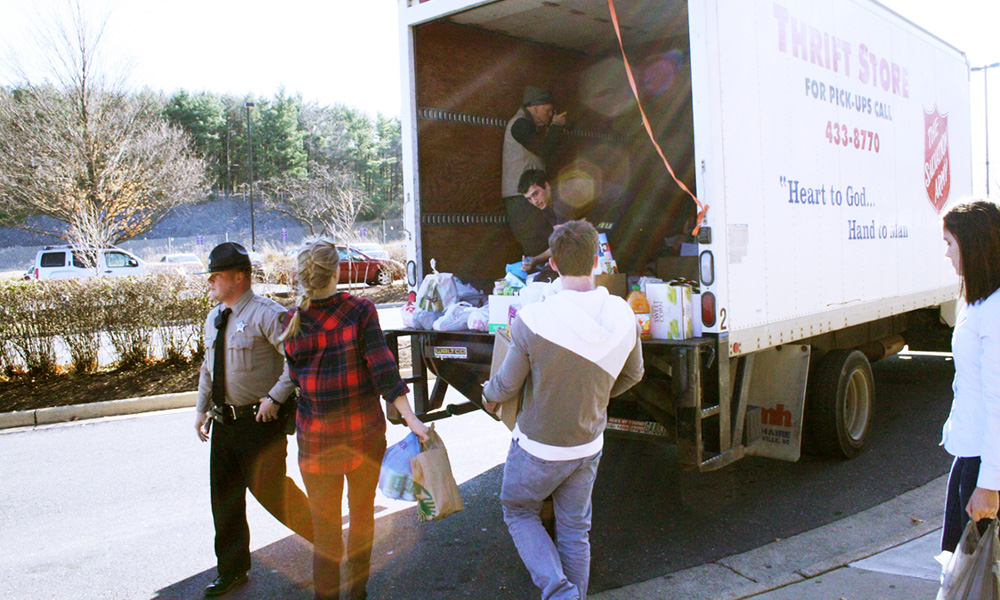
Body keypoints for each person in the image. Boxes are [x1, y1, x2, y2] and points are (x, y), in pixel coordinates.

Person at [483, 220, 644, 600]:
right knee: (575, 531)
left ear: (552, 264)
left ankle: (559, 593)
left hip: (538, 447)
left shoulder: (534, 318)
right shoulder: (623, 314)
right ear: (597, 261)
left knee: (518, 511)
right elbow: (634, 373)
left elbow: (507, 385)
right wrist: (597, 396)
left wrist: (487, 393)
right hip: (587, 444)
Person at [280, 239, 430, 600]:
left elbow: (297, 377)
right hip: (362, 437)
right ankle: (357, 593)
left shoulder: (291, 321)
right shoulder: (360, 311)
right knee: (362, 519)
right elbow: (385, 373)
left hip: (314, 444)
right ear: (336, 273)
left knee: (325, 529)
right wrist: (413, 421)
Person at [193, 242, 314, 597]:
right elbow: (208, 366)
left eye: (216, 275)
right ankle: (231, 570)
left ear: (240, 277)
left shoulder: (267, 314)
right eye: (210, 276)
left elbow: (297, 359)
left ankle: (331, 543)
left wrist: (276, 397)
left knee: (274, 495)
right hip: (224, 422)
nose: (211, 282)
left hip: (259, 423)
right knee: (224, 500)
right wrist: (201, 408)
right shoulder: (215, 316)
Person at [939, 200, 1000, 554]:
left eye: (950, 243)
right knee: (961, 572)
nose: (946, 254)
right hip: (970, 455)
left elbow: (997, 401)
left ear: (973, 245)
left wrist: (990, 484)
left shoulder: (993, 311)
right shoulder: (977, 301)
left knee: (977, 577)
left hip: (984, 463)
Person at [503, 85, 569, 260]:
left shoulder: (525, 124)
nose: (549, 116)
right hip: (522, 197)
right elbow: (545, 150)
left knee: (542, 241)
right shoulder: (520, 125)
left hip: (527, 196)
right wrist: (556, 126)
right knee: (535, 243)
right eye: (547, 111)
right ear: (535, 107)